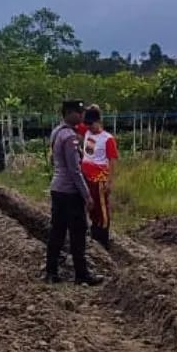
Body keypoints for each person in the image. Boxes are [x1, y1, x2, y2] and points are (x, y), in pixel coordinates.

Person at [46, 99, 102, 285]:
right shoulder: (69, 136)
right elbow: (74, 170)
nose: (81, 116)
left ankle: (51, 272)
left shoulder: (56, 132)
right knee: (78, 233)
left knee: (57, 231)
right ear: (69, 113)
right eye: (78, 113)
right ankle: (82, 275)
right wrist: (86, 195)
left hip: (57, 188)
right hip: (70, 192)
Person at [81, 104, 119, 249]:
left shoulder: (107, 139)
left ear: (98, 122)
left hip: (100, 179)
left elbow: (112, 160)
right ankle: (94, 228)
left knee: (101, 207)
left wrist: (110, 181)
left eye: (91, 124)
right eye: (87, 124)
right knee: (90, 206)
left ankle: (102, 235)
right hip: (86, 177)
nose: (89, 127)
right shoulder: (87, 131)